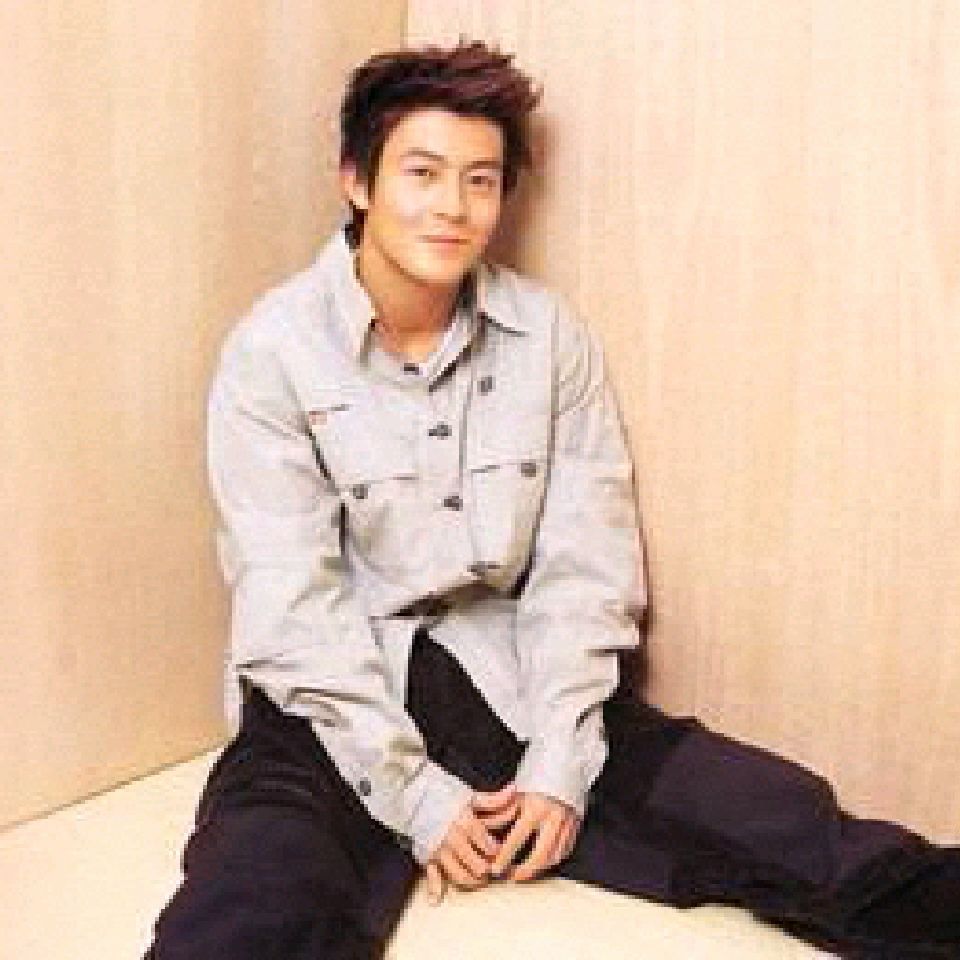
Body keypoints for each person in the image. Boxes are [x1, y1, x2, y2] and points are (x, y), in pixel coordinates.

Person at [145, 41, 959, 959]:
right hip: (330, 709)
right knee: (250, 902)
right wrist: (415, 795)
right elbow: (292, 607)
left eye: (481, 180)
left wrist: (562, 763)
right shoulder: (272, 352)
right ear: (357, 180)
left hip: (516, 681)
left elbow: (586, 566)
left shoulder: (548, 337)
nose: (453, 207)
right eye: (422, 173)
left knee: (791, 823)